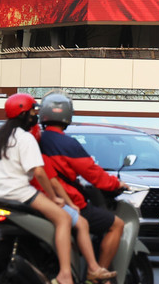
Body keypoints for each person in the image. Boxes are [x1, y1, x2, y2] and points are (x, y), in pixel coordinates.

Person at [0, 93, 77, 284]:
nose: (36, 116)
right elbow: (40, 173)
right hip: (18, 194)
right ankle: (66, 274)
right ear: (24, 114)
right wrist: (54, 198)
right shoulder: (25, 138)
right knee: (64, 219)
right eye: (33, 112)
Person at [36, 93, 119, 280]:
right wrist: (116, 183)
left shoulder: (35, 140)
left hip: (37, 197)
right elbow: (94, 174)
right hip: (68, 199)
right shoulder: (69, 144)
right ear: (67, 117)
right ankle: (97, 273)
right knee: (116, 224)